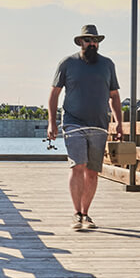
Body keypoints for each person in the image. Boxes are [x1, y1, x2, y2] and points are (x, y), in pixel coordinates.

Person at [47, 24, 124, 230]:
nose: (92, 43)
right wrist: (52, 122)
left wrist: (118, 123)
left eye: (95, 40)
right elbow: (54, 93)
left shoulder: (108, 65)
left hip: (99, 124)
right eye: (88, 40)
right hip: (73, 122)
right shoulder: (67, 63)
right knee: (78, 165)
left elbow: (114, 96)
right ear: (80, 42)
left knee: (92, 171)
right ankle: (77, 213)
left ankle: (86, 214)